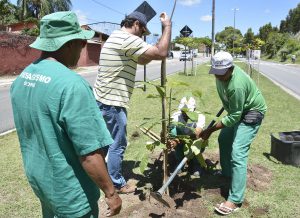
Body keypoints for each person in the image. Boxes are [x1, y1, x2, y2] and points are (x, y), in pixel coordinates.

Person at [10, 11, 122, 217]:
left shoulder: (23, 77)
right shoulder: (72, 85)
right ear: (69, 44)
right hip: (71, 191)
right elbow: (89, 153)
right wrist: (111, 192)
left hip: (41, 181)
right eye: (82, 42)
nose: (82, 48)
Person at [93, 11, 171, 194]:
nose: (143, 37)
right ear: (136, 24)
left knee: (106, 142)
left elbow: (143, 59)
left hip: (103, 98)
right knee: (117, 144)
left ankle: (103, 177)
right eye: (143, 32)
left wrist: (156, 47)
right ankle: (117, 184)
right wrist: (167, 27)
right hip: (112, 101)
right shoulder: (126, 38)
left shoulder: (116, 37)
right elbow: (161, 52)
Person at [200, 51, 267, 215]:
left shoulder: (237, 84)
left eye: (222, 73)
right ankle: (228, 174)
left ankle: (235, 199)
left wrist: (210, 129)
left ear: (231, 68)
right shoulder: (220, 77)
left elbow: (236, 116)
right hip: (237, 110)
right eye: (216, 72)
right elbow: (230, 105)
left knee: (238, 152)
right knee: (224, 139)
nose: (218, 77)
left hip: (252, 112)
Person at [168, 97, 206, 176]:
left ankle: (196, 163)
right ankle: (180, 160)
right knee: (173, 131)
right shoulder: (175, 116)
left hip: (193, 140)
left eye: (188, 111)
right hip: (179, 139)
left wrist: (178, 140)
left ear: (194, 109)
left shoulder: (200, 117)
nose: (185, 114)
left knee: (199, 141)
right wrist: (172, 140)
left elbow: (197, 134)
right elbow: (168, 131)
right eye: (183, 111)